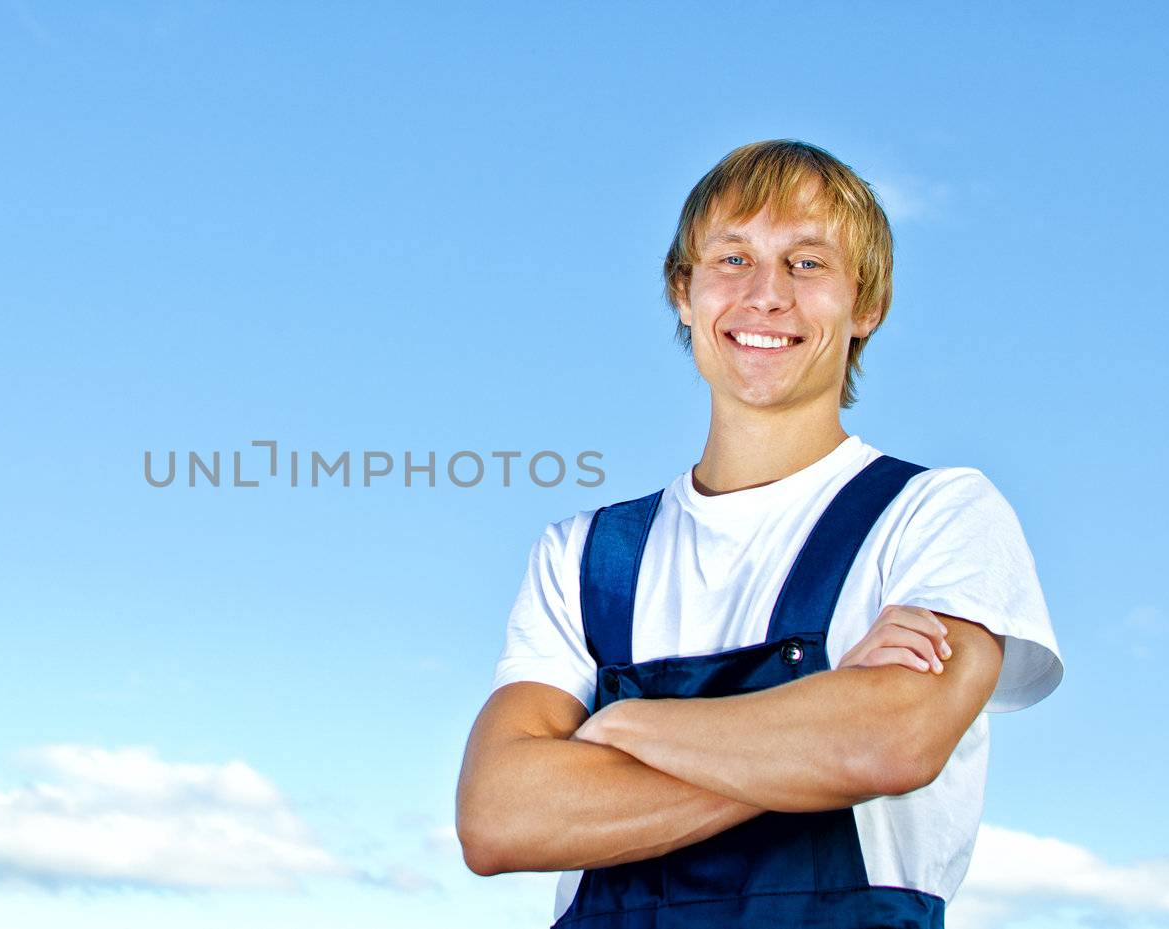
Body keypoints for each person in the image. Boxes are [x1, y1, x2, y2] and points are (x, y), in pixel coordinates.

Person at [454, 140, 1063, 929]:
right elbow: (500, 817)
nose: (765, 295)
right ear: (685, 291)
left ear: (866, 304)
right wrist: (816, 729)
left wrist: (620, 726)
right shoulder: (582, 555)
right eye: (733, 257)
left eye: (807, 263)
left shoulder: (936, 514)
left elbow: (892, 746)